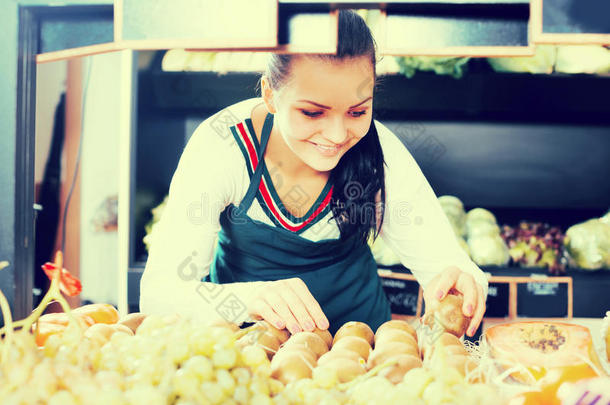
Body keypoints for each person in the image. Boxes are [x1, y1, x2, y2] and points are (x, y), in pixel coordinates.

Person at [140, 10, 488, 336]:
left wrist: (463, 284)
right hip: (247, 356)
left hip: (362, 358)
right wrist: (251, 299)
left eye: (357, 112)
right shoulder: (223, 147)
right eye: (312, 113)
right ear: (270, 95)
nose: (337, 136)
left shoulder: (379, 151)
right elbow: (160, 294)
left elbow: (450, 266)